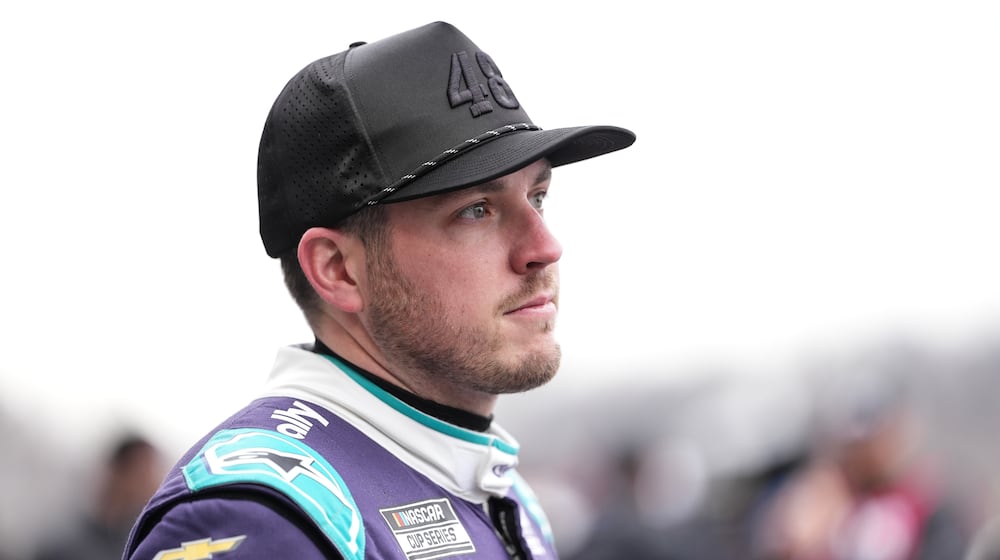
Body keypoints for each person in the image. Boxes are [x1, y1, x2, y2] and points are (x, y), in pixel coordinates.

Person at [123, 21, 634, 560]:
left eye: (538, 196)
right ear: (339, 269)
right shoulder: (264, 517)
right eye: (476, 211)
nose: (544, 246)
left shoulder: (505, 495)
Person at [33, 433, 165, 560]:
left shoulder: (140, 545)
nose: (152, 485)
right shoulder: (62, 541)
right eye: (142, 474)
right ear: (118, 471)